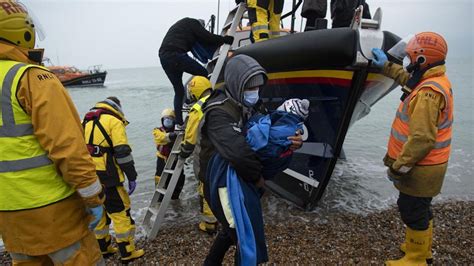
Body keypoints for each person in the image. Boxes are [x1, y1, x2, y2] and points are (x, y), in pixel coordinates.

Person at [0, 1, 104, 264]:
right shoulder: (30, 78)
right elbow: (68, 147)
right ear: (22, 31)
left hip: (8, 212)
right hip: (53, 208)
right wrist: (92, 196)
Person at [198, 54, 303, 265]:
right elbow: (237, 152)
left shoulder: (252, 105)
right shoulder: (218, 112)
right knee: (245, 235)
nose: (254, 93)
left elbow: (268, 128)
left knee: (232, 230)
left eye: (257, 87)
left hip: (244, 175)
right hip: (219, 182)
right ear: (237, 84)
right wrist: (258, 179)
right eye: (249, 87)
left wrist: (290, 141)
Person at [371, 32, 453, 265]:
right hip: (432, 165)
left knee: (411, 209)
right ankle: (421, 249)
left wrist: (398, 167)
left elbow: (421, 139)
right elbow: (408, 79)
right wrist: (385, 66)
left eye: (410, 58)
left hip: (422, 167)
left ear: (421, 60)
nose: (406, 62)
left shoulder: (427, 94)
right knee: (421, 208)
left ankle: (416, 259)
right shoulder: (434, 80)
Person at [83, 97, 145, 263]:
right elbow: (122, 152)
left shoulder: (87, 121)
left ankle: (103, 248)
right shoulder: (114, 121)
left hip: (90, 176)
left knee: (100, 212)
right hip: (109, 178)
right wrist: (132, 176)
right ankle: (127, 252)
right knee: (120, 213)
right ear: (117, 107)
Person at [159, 17, 234, 128]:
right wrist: (224, 39)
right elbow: (207, 37)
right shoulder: (193, 23)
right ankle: (192, 100)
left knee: (179, 91)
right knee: (203, 73)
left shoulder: (183, 27)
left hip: (164, 56)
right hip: (175, 54)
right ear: (201, 25)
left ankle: (179, 123)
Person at [178, 76, 218, 234]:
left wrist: (183, 153)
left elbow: (190, 140)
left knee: (205, 189)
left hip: (206, 157)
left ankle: (209, 224)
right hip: (225, 154)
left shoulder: (198, 108)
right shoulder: (221, 101)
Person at [153, 108, 185, 199]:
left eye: (170, 118)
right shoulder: (157, 130)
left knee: (179, 180)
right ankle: (159, 200)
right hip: (162, 159)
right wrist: (171, 136)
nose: (167, 120)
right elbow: (161, 138)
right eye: (165, 118)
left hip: (176, 159)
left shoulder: (179, 132)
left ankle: (175, 201)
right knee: (160, 180)